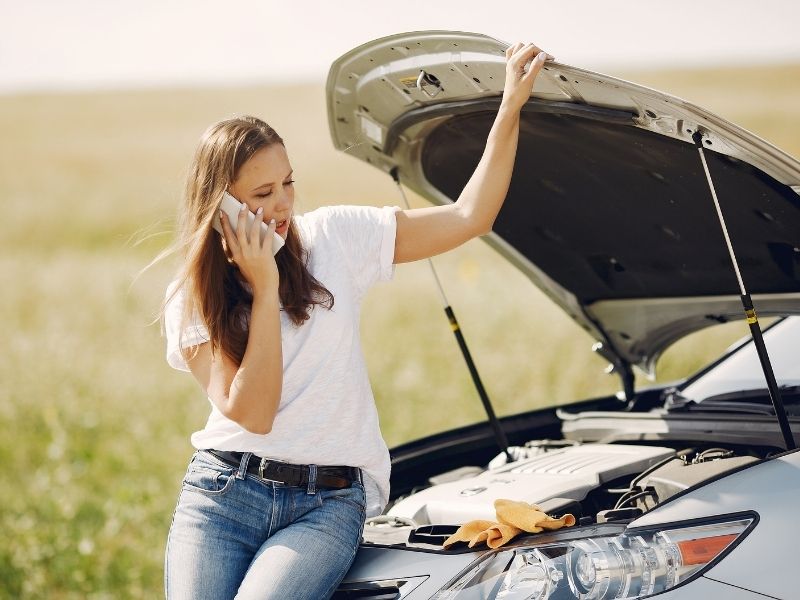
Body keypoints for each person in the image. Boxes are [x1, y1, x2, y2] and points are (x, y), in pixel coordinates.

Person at [162, 42, 553, 599]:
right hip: (223, 494)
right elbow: (253, 412)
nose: (283, 204)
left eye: (288, 183)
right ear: (220, 206)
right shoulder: (192, 295)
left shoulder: (334, 238)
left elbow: (470, 216)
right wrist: (265, 286)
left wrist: (509, 107)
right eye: (263, 193)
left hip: (326, 504)